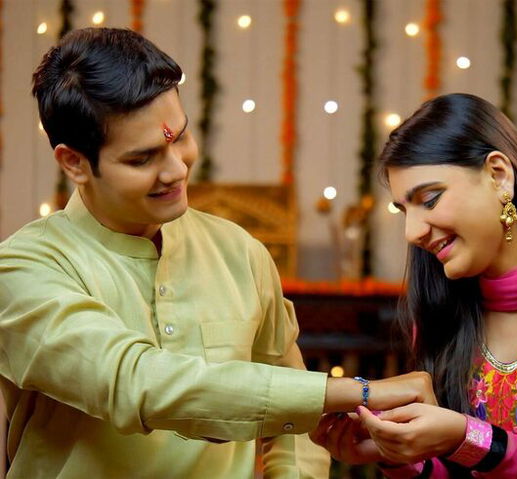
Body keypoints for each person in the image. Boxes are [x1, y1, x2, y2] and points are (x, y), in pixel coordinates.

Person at [0, 28, 433, 478]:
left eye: (180, 137)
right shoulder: (25, 269)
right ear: (74, 162)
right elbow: (139, 384)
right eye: (142, 158)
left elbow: (297, 429)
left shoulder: (238, 252)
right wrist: (361, 393)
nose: (176, 168)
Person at [311, 93, 517, 478]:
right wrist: (397, 456)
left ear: (498, 175)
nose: (413, 232)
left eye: (429, 200)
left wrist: (469, 439)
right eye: (404, 210)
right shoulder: (446, 307)